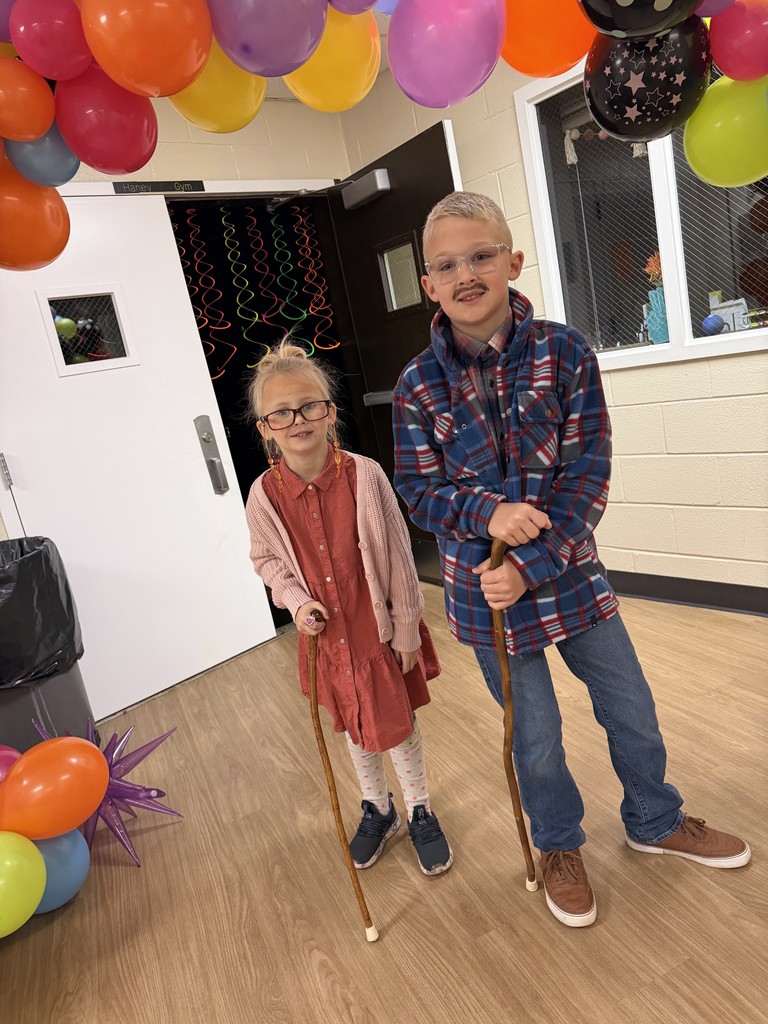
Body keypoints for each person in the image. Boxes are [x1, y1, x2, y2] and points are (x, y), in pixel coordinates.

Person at [392, 191, 750, 927]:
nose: (467, 275)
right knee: (538, 739)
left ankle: (654, 818)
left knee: (632, 709)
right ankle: (559, 845)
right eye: (447, 265)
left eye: (482, 256)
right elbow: (418, 491)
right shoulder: (416, 387)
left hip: (571, 581)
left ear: (512, 262)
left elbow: (588, 476)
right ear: (428, 285)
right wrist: (483, 514)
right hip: (484, 597)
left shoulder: (566, 353)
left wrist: (534, 561)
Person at [245, 339, 453, 877]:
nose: (298, 420)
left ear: (330, 413)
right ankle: (378, 809)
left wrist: (407, 627)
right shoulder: (263, 495)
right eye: (282, 413)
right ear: (266, 426)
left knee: (396, 723)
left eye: (310, 405)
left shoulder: (366, 476)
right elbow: (268, 561)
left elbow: (402, 560)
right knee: (355, 728)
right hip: (328, 641)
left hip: (374, 632)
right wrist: (295, 601)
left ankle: (419, 808)